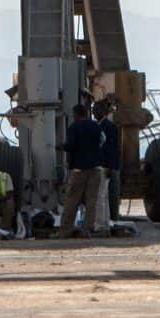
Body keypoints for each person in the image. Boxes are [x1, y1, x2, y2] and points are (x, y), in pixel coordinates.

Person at [60, 100, 104, 237]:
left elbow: (70, 146)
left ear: (76, 115)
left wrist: (61, 147)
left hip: (79, 170)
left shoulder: (74, 127)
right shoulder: (96, 127)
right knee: (91, 201)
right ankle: (87, 229)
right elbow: (102, 141)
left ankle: (65, 230)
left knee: (72, 201)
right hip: (95, 169)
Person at [92, 97, 122, 232]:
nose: (94, 112)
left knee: (100, 197)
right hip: (102, 165)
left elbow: (112, 148)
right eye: (93, 109)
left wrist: (110, 166)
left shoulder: (108, 127)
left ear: (104, 111)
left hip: (104, 165)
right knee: (103, 196)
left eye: (96, 109)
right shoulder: (101, 126)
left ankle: (100, 225)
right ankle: (105, 222)